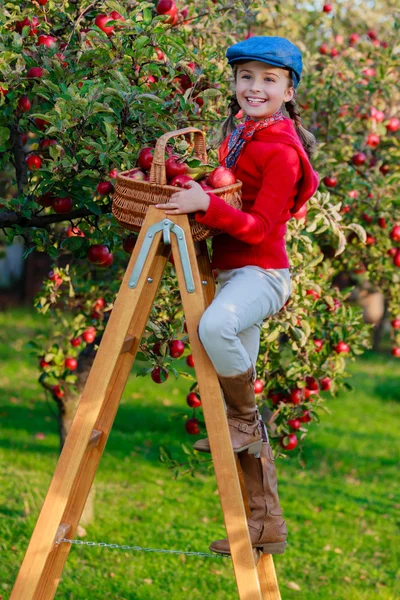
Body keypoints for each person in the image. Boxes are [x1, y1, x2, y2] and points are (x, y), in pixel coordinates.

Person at [155, 36, 319, 556]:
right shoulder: (238, 138)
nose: (255, 87)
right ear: (233, 83)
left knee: (213, 329)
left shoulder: (281, 152)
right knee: (232, 395)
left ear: (289, 90)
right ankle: (265, 523)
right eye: (246, 76)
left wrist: (204, 201)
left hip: (263, 274)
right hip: (234, 275)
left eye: (269, 80)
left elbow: (259, 226)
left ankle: (246, 419)